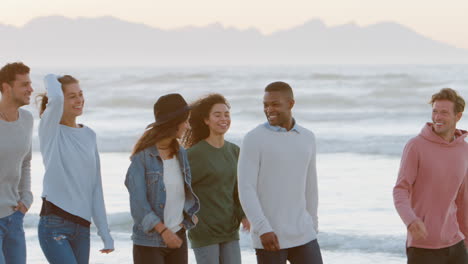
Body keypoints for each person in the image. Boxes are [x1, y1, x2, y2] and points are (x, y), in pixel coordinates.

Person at [238, 81, 323, 264]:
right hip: (270, 236)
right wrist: (262, 228)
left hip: (304, 234)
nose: (269, 109)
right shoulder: (254, 139)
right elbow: (246, 188)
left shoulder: (307, 138)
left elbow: (310, 185)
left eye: (275, 104)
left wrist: (312, 224)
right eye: (265, 105)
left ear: (291, 104)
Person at [37, 74, 114, 264]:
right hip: (54, 223)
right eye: (72, 96)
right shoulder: (50, 130)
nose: (79, 100)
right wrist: (50, 77)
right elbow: (54, 99)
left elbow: (96, 187)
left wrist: (105, 233)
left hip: (82, 226)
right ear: (61, 99)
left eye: (80, 94)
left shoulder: (89, 135)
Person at [393, 88, 468, 264]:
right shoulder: (415, 146)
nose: (438, 117)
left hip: (456, 243)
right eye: (435, 111)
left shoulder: (464, 150)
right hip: (423, 246)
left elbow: (463, 199)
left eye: (444, 112)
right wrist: (410, 220)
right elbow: (400, 190)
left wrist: (466, 237)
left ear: (458, 116)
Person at [125, 93, 200, 264]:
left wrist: (188, 217)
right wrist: (164, 231)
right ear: (174, 123)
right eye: (185, 121)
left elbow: (183, 190)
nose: (188, 126)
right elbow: (138, 205)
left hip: (178, 236)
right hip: (149, 242)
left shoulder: (180, 153)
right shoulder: (142, 158)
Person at [182, 94, 250, 264]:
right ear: (206, 120)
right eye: (217, 115)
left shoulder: (235, 151)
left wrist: (243, 215)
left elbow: (238, 189)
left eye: (226, 114)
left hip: (229, 229)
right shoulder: (194, 155)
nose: (224, 119)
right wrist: (188, 217)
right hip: (204, 231)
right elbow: (180, 191)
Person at [0, 62, 34, 264]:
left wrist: (26, 197)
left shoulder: (27, 119)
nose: (31, 89)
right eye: (24, 84)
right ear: (6, 87)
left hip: (14, 217)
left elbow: (26, 162)